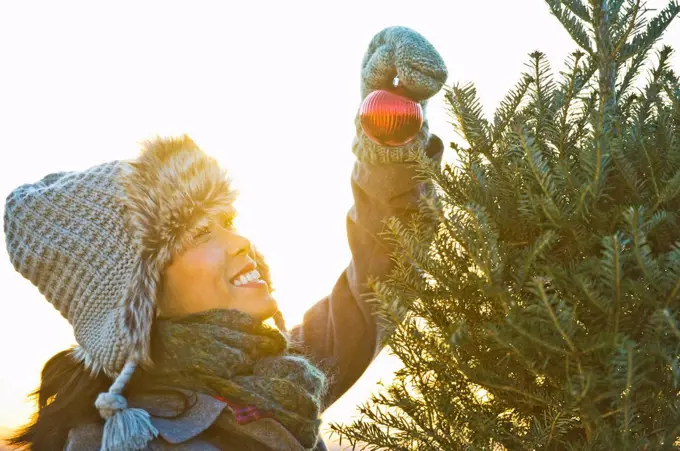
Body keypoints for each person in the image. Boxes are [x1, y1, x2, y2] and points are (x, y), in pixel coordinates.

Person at [4, 26, 447, 451]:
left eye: (228, 220)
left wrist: (387, 144)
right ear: (138, 301)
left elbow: (377, 281)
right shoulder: (127, 439)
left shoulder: (270, 381)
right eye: (199, 233)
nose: (238, 242)